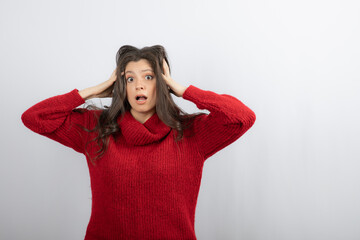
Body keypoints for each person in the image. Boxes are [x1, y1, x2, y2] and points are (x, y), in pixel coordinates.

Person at [21, 45, 256, 240]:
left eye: (149, 77)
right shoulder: (96, 129)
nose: (139, 85)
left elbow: (241, 118)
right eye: (129, 78)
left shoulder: (191, 132)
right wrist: (93, 92)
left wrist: (183, 90)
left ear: (162, 84)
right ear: (121, 86)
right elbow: (34, 118)